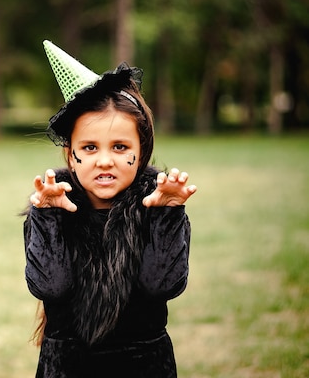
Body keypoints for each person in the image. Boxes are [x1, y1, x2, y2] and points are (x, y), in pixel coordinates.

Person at [23, 40, 197, 378]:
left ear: (142, 151)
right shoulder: (50, 207)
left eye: (120, 147)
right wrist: (47, 217)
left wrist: (168, 215)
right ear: (70, 154)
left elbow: (163, 286)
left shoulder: (157, 208)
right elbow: (50, 287)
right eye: (89, 147)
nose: (105, 161)